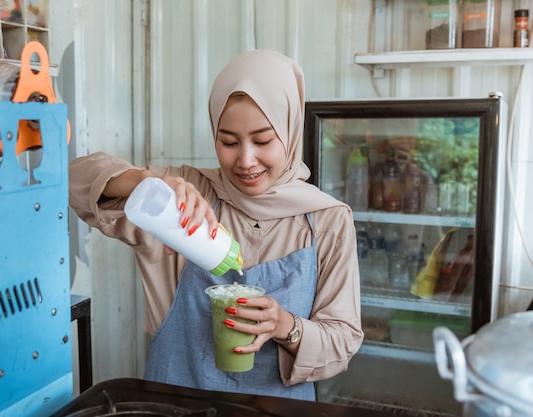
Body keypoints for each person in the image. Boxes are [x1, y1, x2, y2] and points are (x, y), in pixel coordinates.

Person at [68, 49, 363, 400]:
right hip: (177, 405)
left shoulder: (327, 220)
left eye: (263, 140)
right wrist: (149, 184)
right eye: (228, 141)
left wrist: (286, 326)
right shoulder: (188, 195)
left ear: (290, 129)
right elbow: (73, 179)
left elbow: (343, 340)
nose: (245, 160)